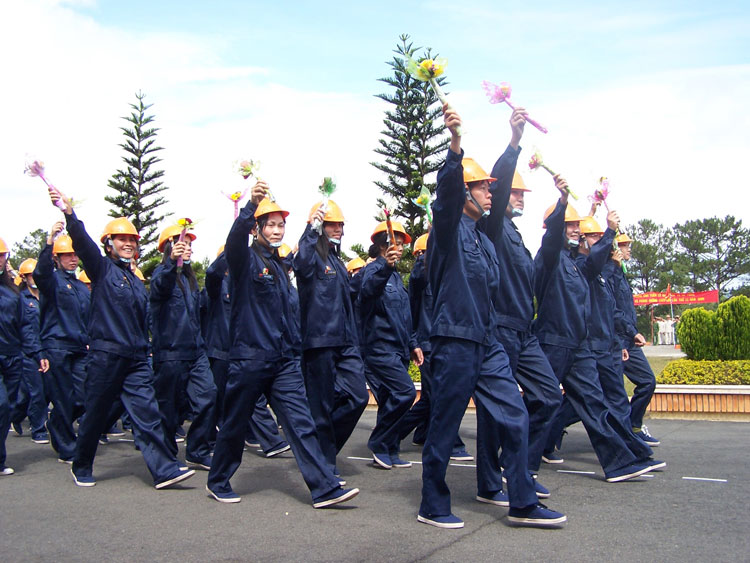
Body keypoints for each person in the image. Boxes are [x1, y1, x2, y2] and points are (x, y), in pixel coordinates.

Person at [418, 105, 565, 529]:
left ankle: (521, 500)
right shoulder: (445, 231)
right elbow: (446, 195)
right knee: (444, 428)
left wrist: (514, 142)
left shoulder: (484, 237)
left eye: (489, 187)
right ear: (464, 191)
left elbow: (498, 199)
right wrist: (456, 146)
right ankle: (433, 502)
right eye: (481, 187)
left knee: (515, 415)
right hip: (454, 341)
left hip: (488, 342)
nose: (490, 192)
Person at [206, 182, 358, 508]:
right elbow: (234, 242)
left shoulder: (279, 266)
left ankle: (324, 488)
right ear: (256, 229)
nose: (276, 231)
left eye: (280, 225)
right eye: (270, 225)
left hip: (283, 360)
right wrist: (249, 207)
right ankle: (218, 480)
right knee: (234, 424)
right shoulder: (244, 259)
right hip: (250, 358)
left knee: (301, 424)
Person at [47, 188, 194, 489]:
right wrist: (69, 212)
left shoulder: (137, 281)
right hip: (106, 356)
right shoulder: (100, 269)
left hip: (137, 357)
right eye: (122, 239)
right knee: (96, 414)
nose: (128, 244)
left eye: (132, 240)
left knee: (148, 413)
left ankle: (164, 469)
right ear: (109, 245)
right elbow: (82, 241)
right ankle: (82, 463)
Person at [534, 189, 660, 482]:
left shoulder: (576, 264)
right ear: (554, 227)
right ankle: (516, 462)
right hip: (552, 343)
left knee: (594, 404)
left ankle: (619, 463)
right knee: (542, 404)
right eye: (570, 225)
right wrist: (563, 202)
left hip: (576, 346)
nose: (576, 230)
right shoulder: (549, 256)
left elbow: (594, 262)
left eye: (577, 225)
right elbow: (553, 237)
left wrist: (610, 231)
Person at [481, 107, 563, 482]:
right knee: (495, 412)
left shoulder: (517, 237)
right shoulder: (494, 227)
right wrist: (513, 142)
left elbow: (552, 246)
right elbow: (495, 195)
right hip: (498, 328)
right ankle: (491, 478)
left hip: (523, 332)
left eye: (523, 193)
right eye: (514, 192)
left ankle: (522, 471)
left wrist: (562, 205)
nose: (521, 198)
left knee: (548, 397)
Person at [293, 200, 368, 478]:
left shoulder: (336, 261)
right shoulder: (311, 256)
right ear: (320, 227)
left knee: (358, 397)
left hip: (345, 342)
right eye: (331, 224)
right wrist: (310, 229)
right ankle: (324, 466)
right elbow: (299, 262)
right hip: (319, 343)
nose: (337, 229)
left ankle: (318, 448)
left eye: (340, 225)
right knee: (320, 409)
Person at [396, 233, 472, 461]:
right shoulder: (421, 277)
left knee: (431, 397)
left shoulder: (446, 279)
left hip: (444, 344)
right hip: (427, 346)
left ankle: (406, 433)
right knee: (439, 395)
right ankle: (453, 444)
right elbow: (419, 281)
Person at [150, 224, 217, 470]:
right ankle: (166, 455)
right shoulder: (161, 274)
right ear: (168, 248)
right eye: (182, 244)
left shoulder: (190, 279)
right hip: (170, 353)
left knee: (208, 396)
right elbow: (160, 288)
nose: (187, 248)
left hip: (195, 351)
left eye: (189, 245)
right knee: (168, 410)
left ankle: (197, 450)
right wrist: (171, 264)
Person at [359, 220, 422, 469]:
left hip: (398, 349)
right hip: (379, 349)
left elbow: (404, 315)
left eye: (399, 241)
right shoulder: (373, 271)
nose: (396, 245)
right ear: (380, 244)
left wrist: (413, 343)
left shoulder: (396, 277)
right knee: (405, 392)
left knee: (388, 399)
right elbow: (369, 291)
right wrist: (386, 266)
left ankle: (389, 449)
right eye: (391, 240)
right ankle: (379, 442)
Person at [33, 224, 90, 463]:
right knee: (64, 397)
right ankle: (68, 447)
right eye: (68, 254)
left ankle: (56, 421)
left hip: (80, 348)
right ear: (57, 258)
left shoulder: (80, 286)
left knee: (84, 396)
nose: (74, 259)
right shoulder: (51, 281)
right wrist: (49, 243)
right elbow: (40, 273)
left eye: (76, 254)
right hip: (57, 346)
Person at [613, 233, 660, 446]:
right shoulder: (610, 273)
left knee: (647, 382)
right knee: (593, 399)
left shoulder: (620, 273)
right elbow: (613, 311)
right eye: (624, 245)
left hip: (629, 339)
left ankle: (633, 425)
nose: (628, 249)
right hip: (619, 340)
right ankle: (551, 431)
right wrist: (631, 332)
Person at [10, 258, 50, 444]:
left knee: (28, 394)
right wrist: (34, 351)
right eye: (30, 275)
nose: (33, 278)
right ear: (24, 278)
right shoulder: (20, 298)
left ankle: (15, 416)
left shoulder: (47, 296)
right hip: (29, 352)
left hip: (47, 350)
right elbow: (24, 329)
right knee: (37, 393)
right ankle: (38, 429)